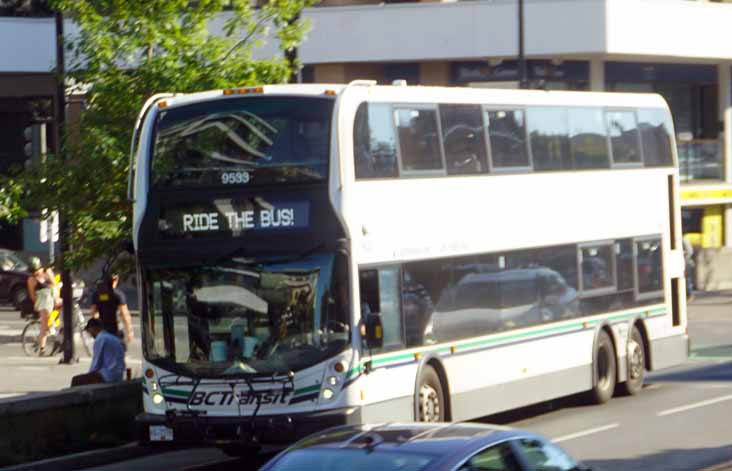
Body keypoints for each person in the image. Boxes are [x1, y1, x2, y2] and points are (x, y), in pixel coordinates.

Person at [71, 318, 125, 386]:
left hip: (108, 376)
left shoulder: (100, 338)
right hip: (118, 374)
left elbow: (96, 362)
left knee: (76, 380)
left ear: (92, 328)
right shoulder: (111, 337)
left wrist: (89, 375)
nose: (89, 333)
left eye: (89, 330)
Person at [89, 274, 134, 346]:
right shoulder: (117, 294)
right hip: (115, 330)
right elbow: (124, 314)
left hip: (102, 331)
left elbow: (93, 313)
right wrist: (129, 331)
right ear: (115, 280)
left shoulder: (97, 294)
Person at [26, 257, 56, 355]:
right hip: (43, 300)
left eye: (37, 270)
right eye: (34, 271)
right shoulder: (31, 279)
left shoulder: (47, 272)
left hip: (51, 297)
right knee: (44, 324)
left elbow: (54, 284)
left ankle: (54, 328)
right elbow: (32, 295)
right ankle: (42, 348)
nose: (36, 272)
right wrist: (37, 303)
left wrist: (54, 293)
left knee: (49, 322)